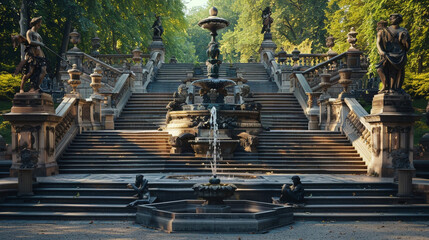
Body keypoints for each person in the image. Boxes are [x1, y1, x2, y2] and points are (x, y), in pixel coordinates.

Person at [376, 14, 410, 93]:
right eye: (390, 18)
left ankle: (392, 88)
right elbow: (378, 42)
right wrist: (381, 51)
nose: (391, 19)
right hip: (388, 54)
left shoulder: (404, 31)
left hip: (400, 54)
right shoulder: (385, 30)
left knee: (395, 72)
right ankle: (385, 86)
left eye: (393, 18)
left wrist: (404, 40)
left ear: (398, 19)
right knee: (380, 69)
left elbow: (407, 46)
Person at [17, 16, 47, 93]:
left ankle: (36, 87)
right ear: (35, 24)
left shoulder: (38, 35)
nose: (39, 26)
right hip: (32, 55)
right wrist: (40, 43)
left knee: (43, 71)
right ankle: (21, 88)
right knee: (29, 73)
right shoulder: (29, 32)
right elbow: (30, 42)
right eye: (38, 24)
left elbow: (40, 46)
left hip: (40, 55)